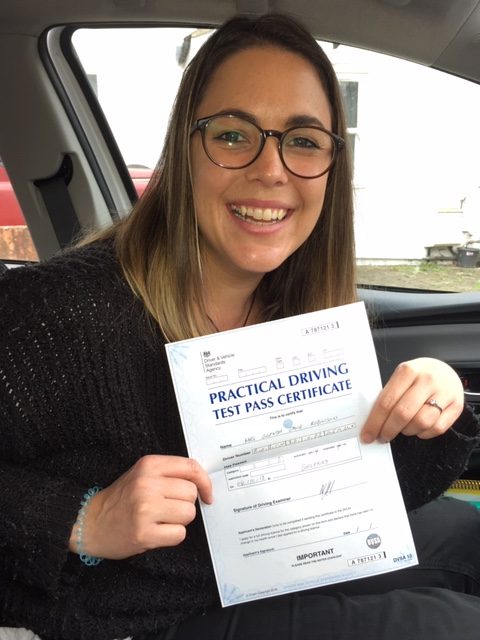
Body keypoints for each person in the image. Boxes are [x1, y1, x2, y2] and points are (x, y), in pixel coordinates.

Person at [0, 12, 479, 640]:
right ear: (184, 150)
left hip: (271, 557)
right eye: (232, 135)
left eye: (303, 141)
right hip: (139, 616)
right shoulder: (55, 311)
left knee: (468, 537)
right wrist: (82, 519)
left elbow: (359, 500)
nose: (271, 170)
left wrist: (433, 407)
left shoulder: (296, 308)